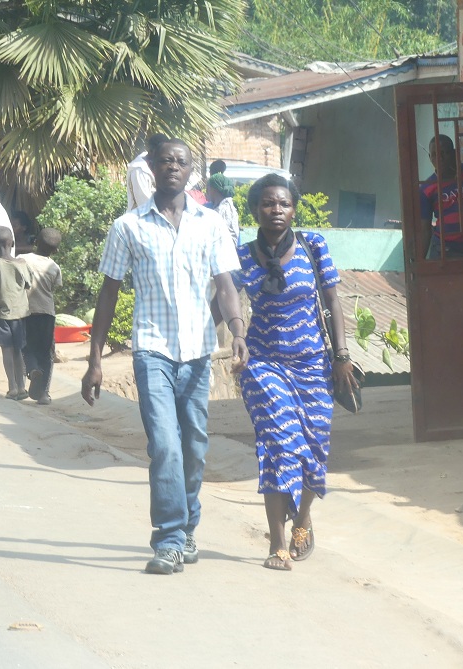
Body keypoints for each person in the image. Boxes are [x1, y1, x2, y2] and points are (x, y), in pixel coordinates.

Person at [81, 138, 248, 575]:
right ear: (150, 168)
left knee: (194, 446)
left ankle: (189, 524)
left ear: (192, 171)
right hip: (151, 350)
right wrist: (95, 359)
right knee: (166, 447)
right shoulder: (128, 227)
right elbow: (109, 292)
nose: (173, 167)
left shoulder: (210, 224)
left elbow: (226, 285)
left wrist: (237, 330)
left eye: (182, 161)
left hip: (197, 352)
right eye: (165, 160)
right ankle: (170, 538)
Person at [234, 172, 357, 571]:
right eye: (268, 203)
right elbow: (223, 299)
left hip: (313, 365)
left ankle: (302, 516)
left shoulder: (313, 245)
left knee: (314, 448)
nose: (276, 210)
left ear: (293, 208)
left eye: (284, 203)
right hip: (263, 364)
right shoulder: (240, 255)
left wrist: (341, 355)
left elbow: (333, 302)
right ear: (255, 209)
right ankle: (276, 542)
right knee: (277, 445)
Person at [420, 134, 463, 259]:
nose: (439, 158)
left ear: (454, 153)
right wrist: (420, 263)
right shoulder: (427, 188)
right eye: (434, 155)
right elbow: (425, 229)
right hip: (444, 251)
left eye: (443, 153)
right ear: (430, 158)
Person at [0, 227, 31, 399]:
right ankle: (22, 387)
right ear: (12, 243)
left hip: (1, 315)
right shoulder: (22, 264)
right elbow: (27, 285)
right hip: (21, 315)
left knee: (7, 351)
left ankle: (12, 387)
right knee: (19, 351)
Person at [20, 228, 63, 405]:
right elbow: (54, 288)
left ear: (35, 241)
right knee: (47, 352)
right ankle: (44, 393)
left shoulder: (23, 260)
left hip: (25, 311)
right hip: (46, 313)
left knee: (26, 346)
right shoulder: (54, 267)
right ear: (56, 250)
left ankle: (32, 368)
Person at [125, 132, 168, 211]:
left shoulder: (154, 164)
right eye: (161, 153)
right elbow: (144, 203)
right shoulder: (138, 171)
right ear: (151, 151)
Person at [206, 172, 240, 247]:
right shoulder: (220, 206)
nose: (206, 192)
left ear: (215, 190)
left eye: (208, 189)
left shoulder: (224, 210)